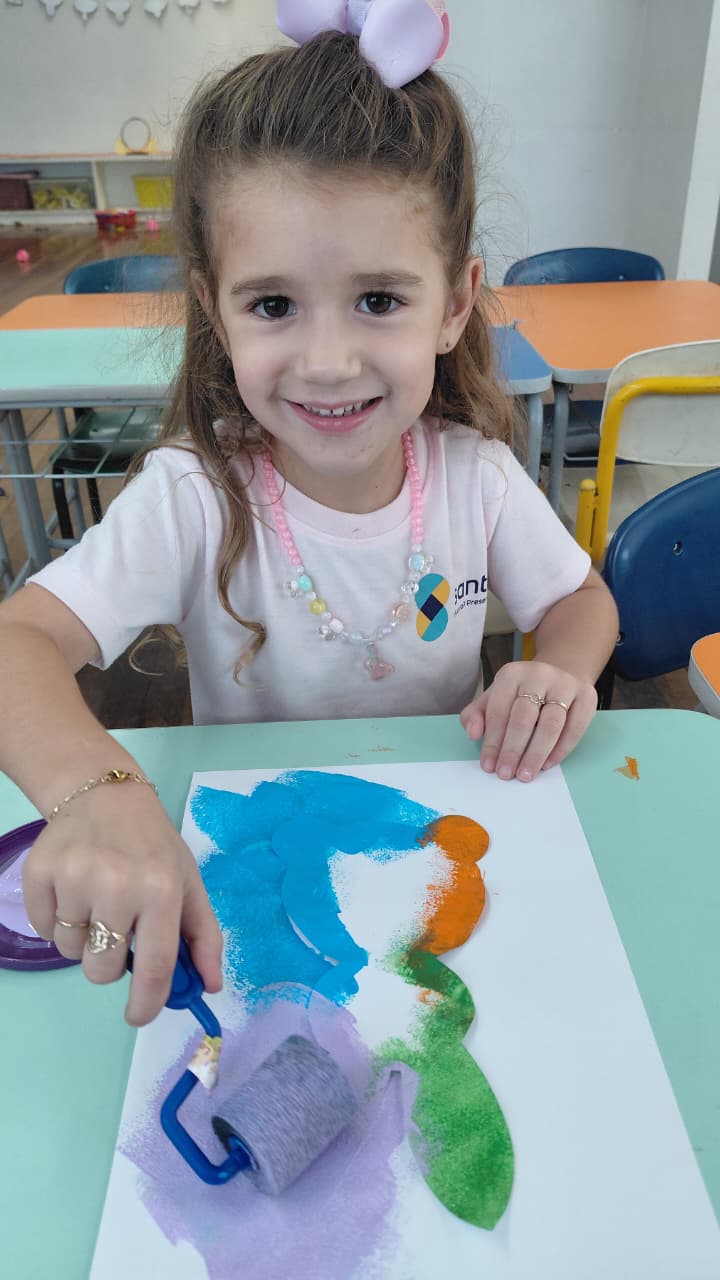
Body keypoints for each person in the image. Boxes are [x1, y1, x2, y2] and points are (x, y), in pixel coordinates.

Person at [0, 4, 618, 1027]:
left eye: (379, 300)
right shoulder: (194, 495)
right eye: (274, 305)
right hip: (259, 897)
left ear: (455, 303)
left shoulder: (478, 477)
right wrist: (97, 787)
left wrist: (560, 668)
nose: (329, 362)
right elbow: (17, 639)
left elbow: (581, 600)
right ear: (215, 308)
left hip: (437, 864)